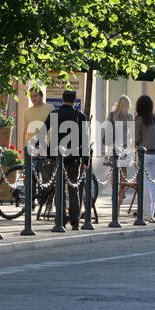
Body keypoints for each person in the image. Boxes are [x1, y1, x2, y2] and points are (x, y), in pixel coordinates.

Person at [56, 89, 88, 226]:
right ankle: (75, 220)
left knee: (59, 188)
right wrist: (85, 160)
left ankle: (61, 219)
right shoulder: (80, 116)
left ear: (62, 99)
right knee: (73, 187)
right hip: (74, 156)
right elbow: (85, 139)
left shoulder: (55, 114)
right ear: (74, 101)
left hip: (58, 156)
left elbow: (44, 130)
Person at [134, 95, 155, 220]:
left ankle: (146, 214)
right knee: (153, 184)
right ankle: (151, 212)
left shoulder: (138, 120)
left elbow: (136, 139)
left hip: (144, 155)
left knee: (145, 184)